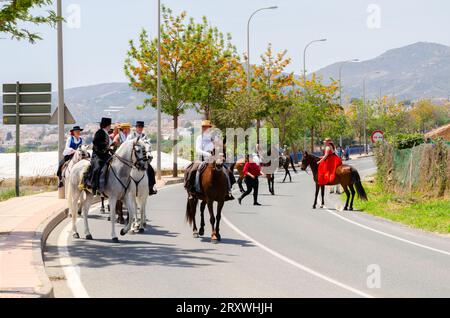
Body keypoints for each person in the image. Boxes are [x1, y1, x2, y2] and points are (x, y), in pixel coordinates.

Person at [184, 120, 234, 201]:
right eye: (204, 127)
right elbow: (198, 150)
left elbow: (219, 147)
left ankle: (228, 190)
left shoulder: (214, 138)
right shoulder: (200, 137)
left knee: (227, 171)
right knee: (193, 170)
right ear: (202, 128)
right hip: (201, 159)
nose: (206, 129)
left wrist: (221, 155)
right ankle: (191, 191)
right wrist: (208, 154)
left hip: (214, 159)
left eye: (208, 127)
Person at [81, 117, 112, 194]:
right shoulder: (99, 132)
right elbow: (95, 142)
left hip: (105, 154)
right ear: (107, 125)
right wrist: (105, 146)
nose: (110, 126)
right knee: (97, 167)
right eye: (110, 125)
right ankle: (94, 185)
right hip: (97, 155)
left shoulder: (106, 133)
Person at [127, 121, 157, 195]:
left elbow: (148, 147)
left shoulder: (145, 137)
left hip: (143, 159)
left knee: (151, 170)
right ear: (136, 128)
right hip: (133, 159)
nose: (140, 128)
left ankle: (150, 187)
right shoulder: (131, 136)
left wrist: (149, 155)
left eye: (141, 127)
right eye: (139, 127)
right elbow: (127, 146)